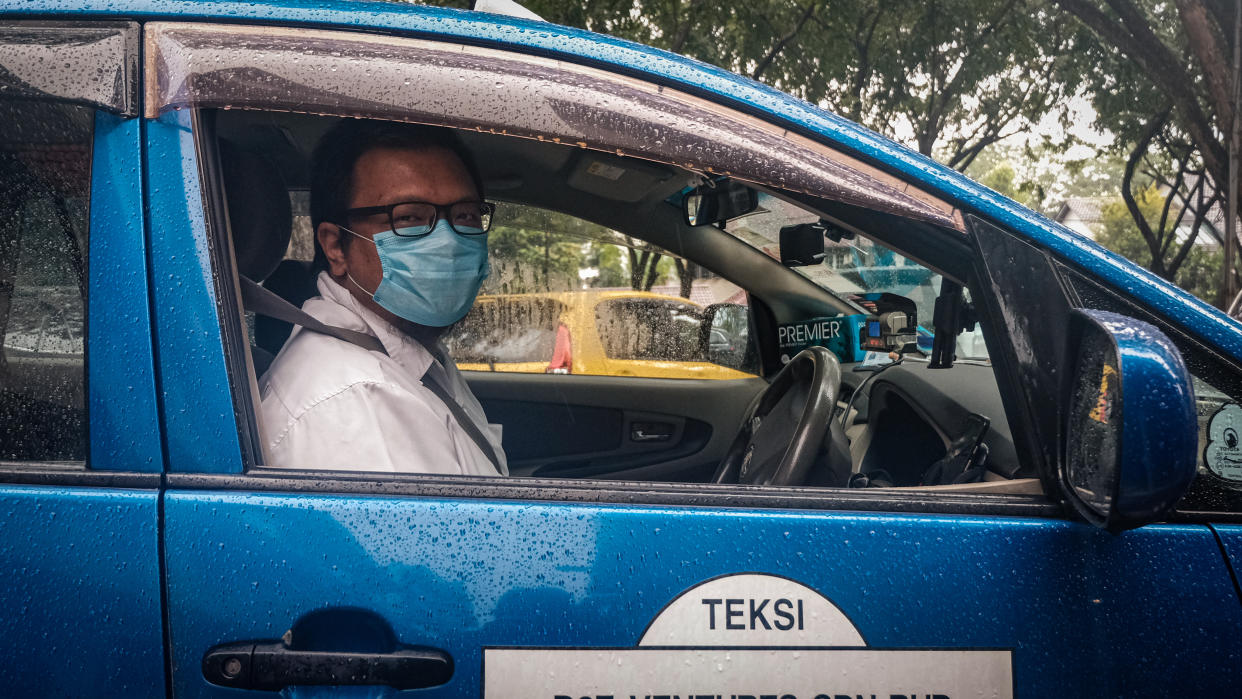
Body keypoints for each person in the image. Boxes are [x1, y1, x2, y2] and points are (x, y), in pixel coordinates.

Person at [258, 120, 507, 476]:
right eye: (407, 217)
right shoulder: (354, 404)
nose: (449, 243)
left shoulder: (404, 356)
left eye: (465, 215)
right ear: (335, 247)